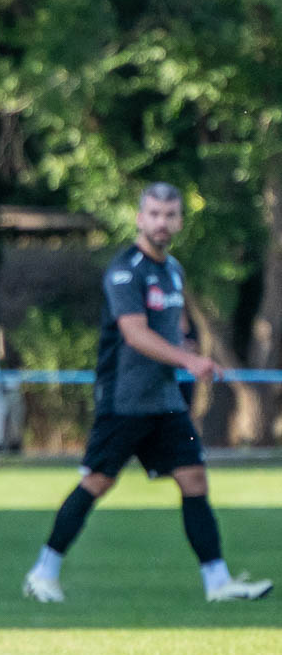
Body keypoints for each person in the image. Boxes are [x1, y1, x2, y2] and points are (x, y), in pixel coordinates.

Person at [22, 183, 272, 604]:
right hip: (125, 400)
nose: (161, 222)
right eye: (154, 214)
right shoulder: (126, 270)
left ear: (179, 221)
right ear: (140, 218)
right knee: (98, 481)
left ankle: (218, 583)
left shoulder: (173, 270)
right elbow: (135, 334)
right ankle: (42, 572)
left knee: (194, 478)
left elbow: (171, 332)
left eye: (170, 215)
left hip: (165, 402)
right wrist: (188, 360)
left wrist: (193, 353)